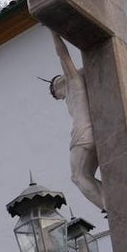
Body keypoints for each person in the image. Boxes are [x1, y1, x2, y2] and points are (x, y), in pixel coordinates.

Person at [49, 29, 104, 212]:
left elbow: (63, 55)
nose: (58, 96)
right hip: (96, 133)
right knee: (87, 175)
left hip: (82, 136)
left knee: (78, 176)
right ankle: (111, 200)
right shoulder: (80, 85)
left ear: (58, 87)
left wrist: (53, 31)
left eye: (55, 91)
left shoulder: (73, 83)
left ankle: (107, 205)